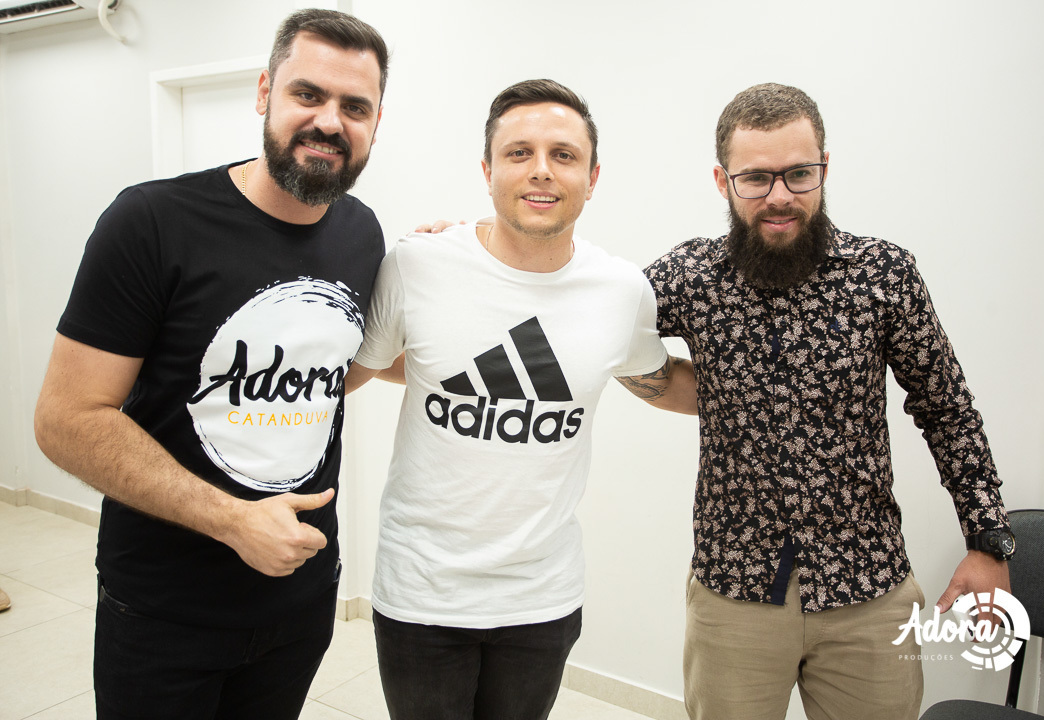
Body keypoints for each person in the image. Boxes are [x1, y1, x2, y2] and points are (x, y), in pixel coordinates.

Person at [33, 9, 388, 719]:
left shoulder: (360, 232)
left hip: (300, 601)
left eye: (355, 107)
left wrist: (448, 262)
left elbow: (334, 371)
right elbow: (66, 420)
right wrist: (231, 520)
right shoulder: (151, 222)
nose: (329, 121)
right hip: (165, 612)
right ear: (264, 93)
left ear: (376, 123)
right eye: (307, 94)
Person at [644, 83, 1012, 720]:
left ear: (824, 168)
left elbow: (946, 407)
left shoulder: (884, 273)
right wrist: (483, 246)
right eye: (755, 178)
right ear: (723, 180)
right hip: (734, 594)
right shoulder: (690, 276)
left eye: (798, 173)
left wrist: (987, 540)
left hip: (868, 592)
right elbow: (600, 322)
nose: (779, 195)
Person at [347, 78, 697, 720]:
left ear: (592, 177)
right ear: (487, 171)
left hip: (542, 598)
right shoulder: (417, 266)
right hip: (422, 593)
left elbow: (663, 382)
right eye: (518, 153)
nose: (541, 170)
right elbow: (353, 373)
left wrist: (787, 391)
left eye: (564, 155)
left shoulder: (621, 291)